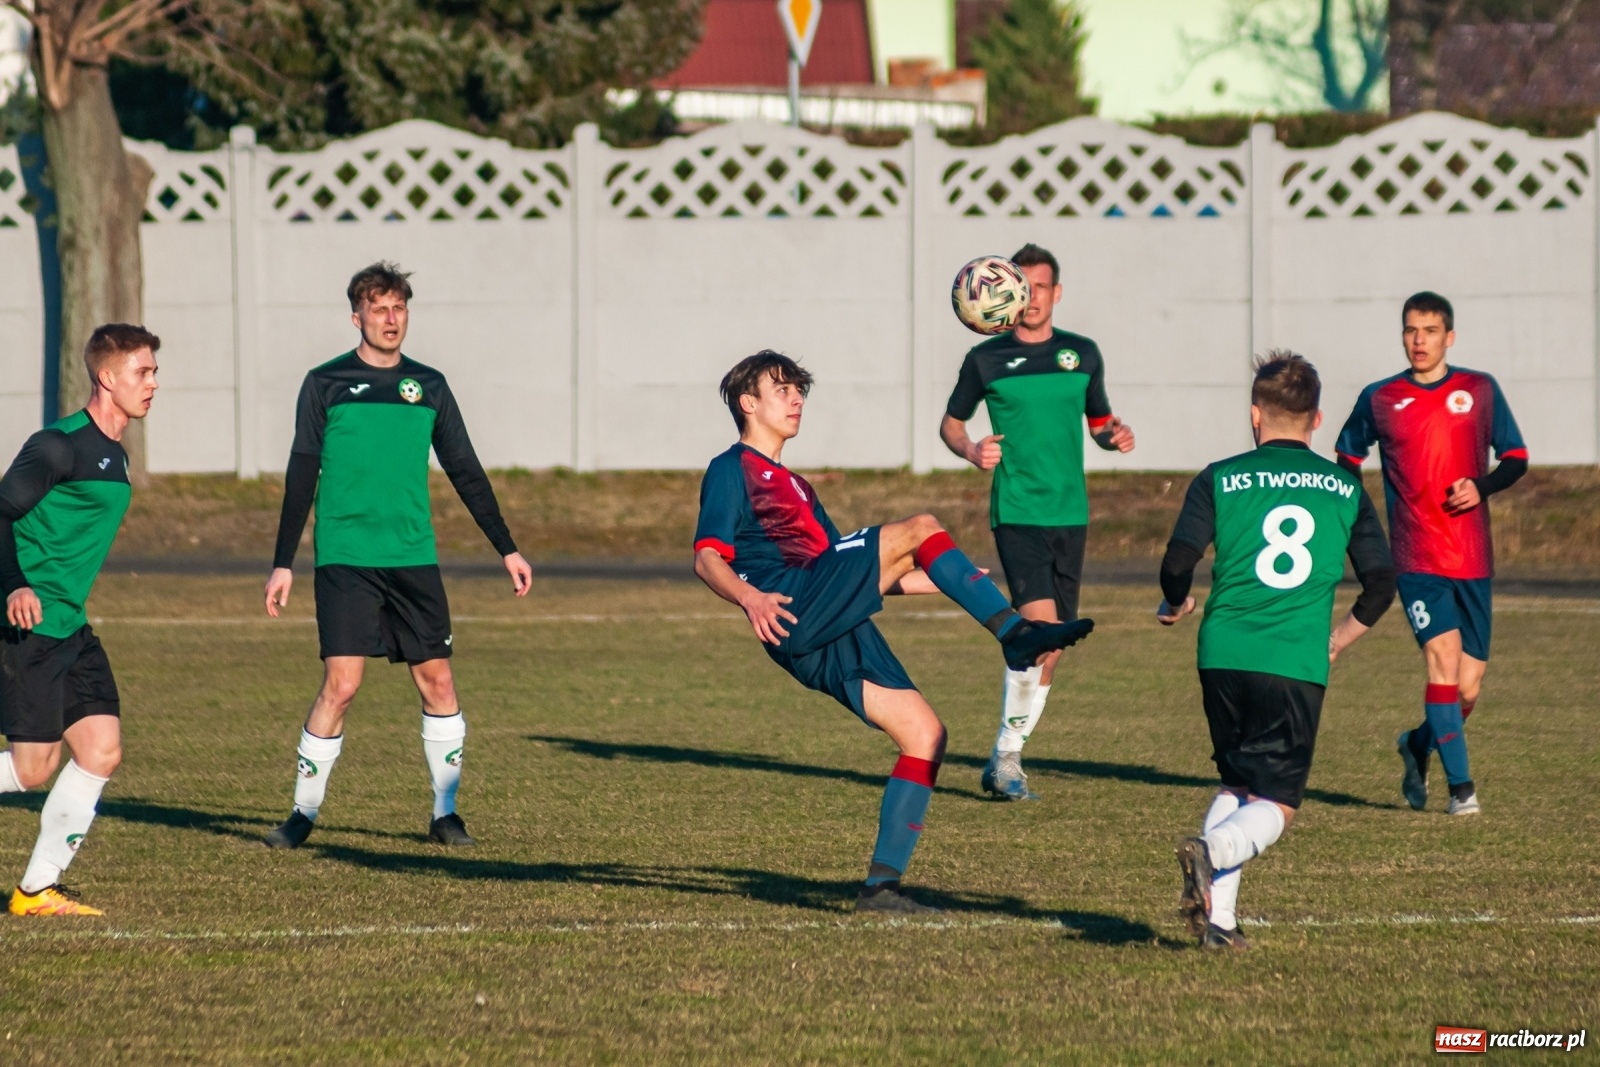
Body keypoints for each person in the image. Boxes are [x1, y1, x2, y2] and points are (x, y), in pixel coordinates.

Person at [694, 351, 1093, 913]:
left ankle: (880, 890)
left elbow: (870, 574)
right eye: (781, 389)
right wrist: (749, 595)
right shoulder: (731, 468)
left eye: (799, 390)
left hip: (832, 617)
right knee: (921, 526)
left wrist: (961, 578)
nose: (796, 399)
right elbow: (708, 557)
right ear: (748, 403)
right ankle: (1013, 634)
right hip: (794, 600)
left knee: (926, 736)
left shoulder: (800, 487)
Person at [262, 262, 533, 849]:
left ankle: (444, 813)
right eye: (378, 308)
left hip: (412, 557)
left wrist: (506, 548)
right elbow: (301, 471)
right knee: (342, 685)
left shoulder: (428, 387)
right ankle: (301, 815)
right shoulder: (325, 383)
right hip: (345, 558)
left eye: (399, 308)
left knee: (438, 682)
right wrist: (284, 561)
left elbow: (465, 469)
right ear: (356, 315)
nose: (390, 319)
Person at [1159, 351, 1395, 949]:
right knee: (1279, 800)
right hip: (1292, 660)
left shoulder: (1219, 476)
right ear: (1316, 420)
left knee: (1238, 783)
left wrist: (1176, 601)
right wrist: (1339, 639)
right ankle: (1212, 851)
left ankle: (1219, 923)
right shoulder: (1344, 486)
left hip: (1222, 653)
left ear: (1254, 416)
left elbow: (1177, 562)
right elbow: (1381, 583)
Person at [941, 243, 1135, 801]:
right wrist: (972, 450)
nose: (1027, 297)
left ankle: (1006, 754)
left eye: (1038, 287)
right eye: (1018, 287)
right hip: (1019, 512)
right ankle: (1007, 760)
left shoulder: (1082, 354)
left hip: (1070, 515)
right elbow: (951, 424)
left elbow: (1099, 420)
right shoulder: (987, 359)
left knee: (1052, 649)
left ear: (1056, 293)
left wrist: (1111, 436)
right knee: (1042, 631)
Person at [1334, 292, 1527, 816]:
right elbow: (1346, 457)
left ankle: (1417, 745)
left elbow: (1517, 458)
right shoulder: (1380, 397)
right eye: (1411, 330)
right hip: (1416, 558)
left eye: (1431, 330)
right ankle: (1461, 792)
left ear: (1450, 337)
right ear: (1403, 336)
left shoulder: (1479, 390)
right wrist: (1361, 519)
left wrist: (1481, 488)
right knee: (1441, 661)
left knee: (1468, 686)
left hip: (1473, 558)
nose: (1419, 340)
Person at [0, 324, 161, 916]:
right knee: (31, 769)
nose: (153, 384)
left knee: (101, 750)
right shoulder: (57, 445)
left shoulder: (116, 454)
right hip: (27, 626)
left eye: (153, 372)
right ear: (107, 378)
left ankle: (35, 891)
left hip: (71, 626)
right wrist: (15, 584)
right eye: (142, 372)